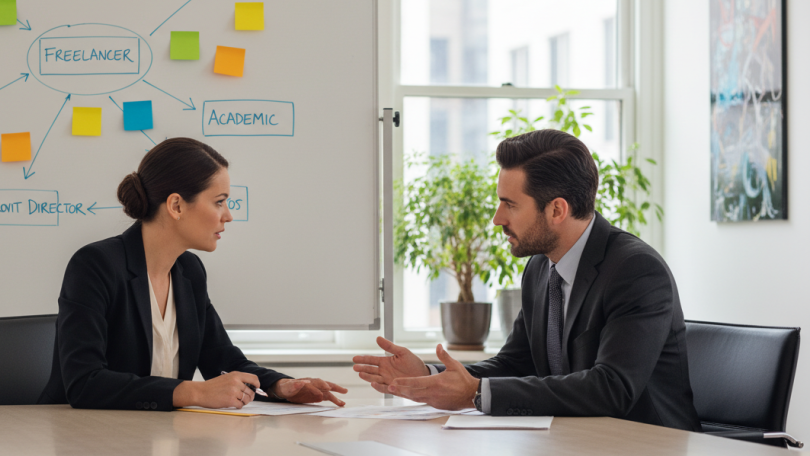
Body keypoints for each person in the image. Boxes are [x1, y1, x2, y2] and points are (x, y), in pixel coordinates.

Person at [353, 129, 700, 430]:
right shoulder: (540, 267)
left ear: (557, 210)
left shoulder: (635, 270)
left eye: (510, 204)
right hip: (573, 441)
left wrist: (475, 393)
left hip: (646, 444)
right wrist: (430, 376)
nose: (496, 218)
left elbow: (611, 388)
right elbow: (517, 363)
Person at [39, 137, 347, 411]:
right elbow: (84, 383)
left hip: (159, 437)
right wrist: (193, 392)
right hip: (84, 437)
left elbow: (223, 359)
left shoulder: (189, 271)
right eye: (219, 202)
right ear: (176, 205)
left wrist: (280, 386)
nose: (228, 215)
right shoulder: (95, 265)